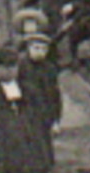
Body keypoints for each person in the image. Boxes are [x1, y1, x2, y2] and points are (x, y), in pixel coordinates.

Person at [15, 31, 62, 163]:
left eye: (43, 49)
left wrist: (56, 120)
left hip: (43, 112)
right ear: (29, 48)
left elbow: (55, 96)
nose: (39, 52)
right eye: (36, 48)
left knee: (44, 151)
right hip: (25, 110)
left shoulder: (50, 69)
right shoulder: (20, 66)